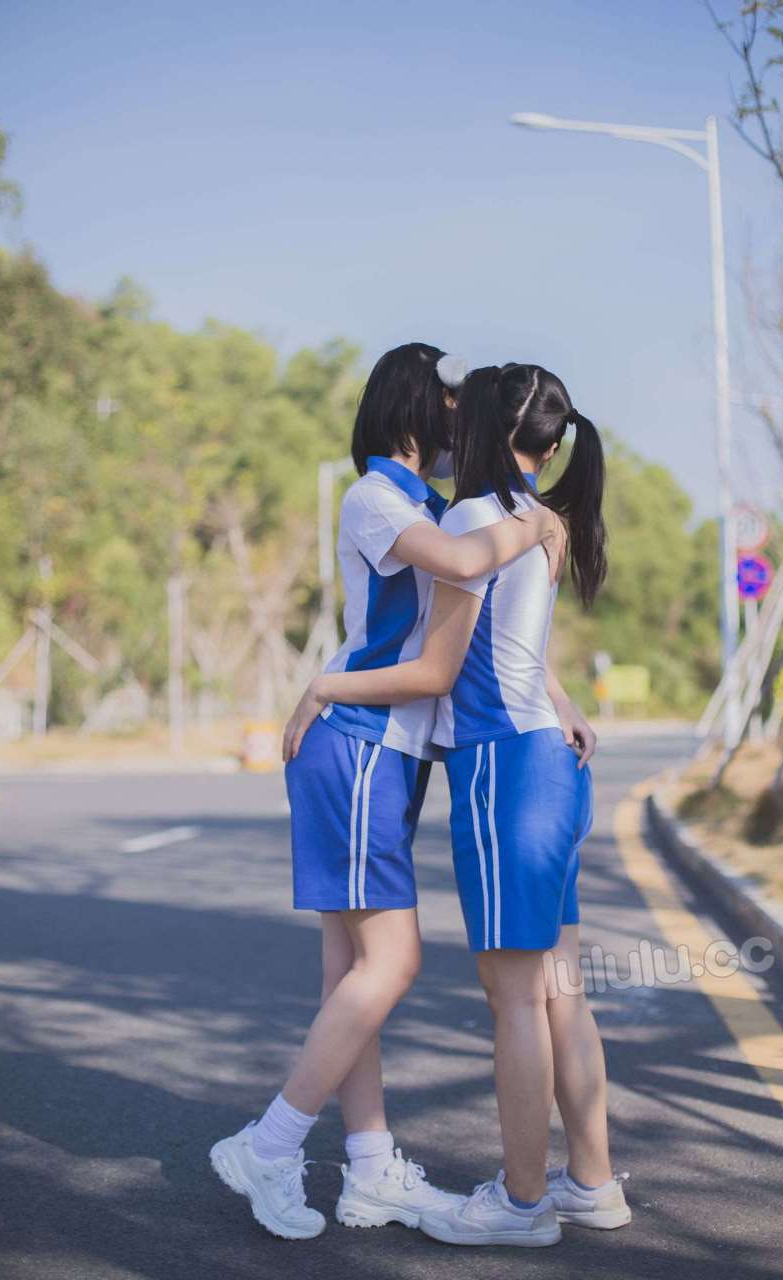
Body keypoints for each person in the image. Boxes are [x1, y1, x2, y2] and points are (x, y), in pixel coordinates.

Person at [209, 344, 565, 1240]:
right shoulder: (377, 498)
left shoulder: (422, 502)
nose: (462, 425)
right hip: (361, 744)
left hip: (385, 751)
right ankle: (270, 1143)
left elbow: (483, 626)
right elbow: (463, 561)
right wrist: (536, 520)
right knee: (392, 963)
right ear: (419, 408)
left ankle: (369, 1169)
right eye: (452, 408)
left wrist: (558, 695)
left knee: (351, 975)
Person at [285, 362, 630, 1248]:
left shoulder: (478, 518)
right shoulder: (535, 518)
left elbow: (439, 669)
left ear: (482, 424)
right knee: (560, 989)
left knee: (514, 1000)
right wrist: (560, 699)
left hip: (502, 770)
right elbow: (517, 647)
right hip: (553, 765)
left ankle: (521, 1205)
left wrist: (324, 685)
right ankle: (591, 1185)